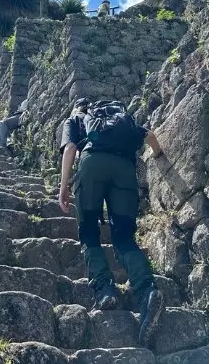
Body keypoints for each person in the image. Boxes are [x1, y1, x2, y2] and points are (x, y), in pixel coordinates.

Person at [59, 97, 164, 348]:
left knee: (89, 233)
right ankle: (147, 291)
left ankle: (105, 291)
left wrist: (63, 186)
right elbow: (150, 137)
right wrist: (159, 155)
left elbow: (71, 148)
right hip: (124, 169)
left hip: (92, 165)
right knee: (124, 237)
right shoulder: (118, 119)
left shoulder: (76, 119)